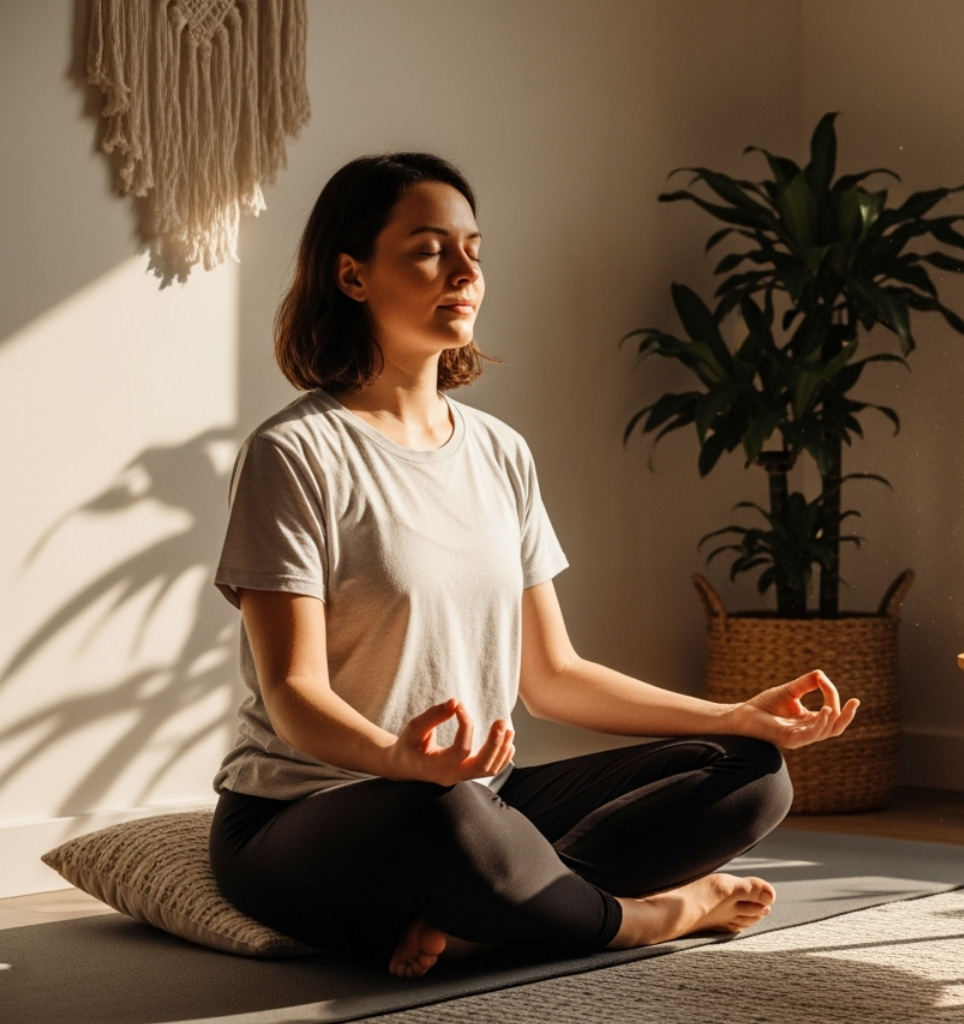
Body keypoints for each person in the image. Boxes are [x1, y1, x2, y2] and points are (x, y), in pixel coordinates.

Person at [207, 152, 858, 978]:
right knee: (441, 819)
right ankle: (641, 918)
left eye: (474, 248)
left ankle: (495, 915)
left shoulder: (499, 453)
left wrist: (734, 714)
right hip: (309, 814)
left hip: (479, 800)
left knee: (752, 776)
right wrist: (401, 760)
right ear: (352, 275)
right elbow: (295, 695)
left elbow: (551, 675)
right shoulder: (293, 453)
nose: (465, 271)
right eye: (428, 249)